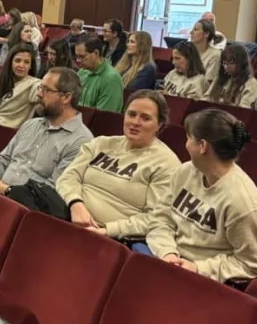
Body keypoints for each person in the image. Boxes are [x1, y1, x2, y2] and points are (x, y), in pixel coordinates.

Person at [145, 108, 257, 282]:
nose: (186, 144)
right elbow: (160, 219)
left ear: (202, 146)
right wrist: (167, 252)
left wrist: (198, 268)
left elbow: (252, 263)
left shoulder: (244, 203)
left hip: (202, 279)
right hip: (164, 257)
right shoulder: (186, 171)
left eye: (189, 138)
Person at [58, 90, 181, 239]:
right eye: (131, 114)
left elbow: (155, 218)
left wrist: (108, 230)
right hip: (67, 209)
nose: (135, 122)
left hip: (110, 236)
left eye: (145, 118)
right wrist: (75, 203)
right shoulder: (101, 143)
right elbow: (68, 177)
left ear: (159, 125)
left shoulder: (167, 164)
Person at [0, 67, 93, 195]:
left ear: (66, 97)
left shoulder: (81, 142)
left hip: (23, 208)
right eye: (40, 88)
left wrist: (4, 190)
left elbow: (50, 194)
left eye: (46, 90)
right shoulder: (30, 124)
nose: (39, 94)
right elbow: (3, 160)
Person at [75, 37, 124, 113]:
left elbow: (103, 117)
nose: (78, 60)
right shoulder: (82, 71)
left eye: (82, 56)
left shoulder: (111, 79)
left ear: (96, 53)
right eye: (77, 56)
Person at [204, 43, 257, 108]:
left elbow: (245, 110)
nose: (226, 67)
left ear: (241, 63)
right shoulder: (220, 78)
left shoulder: (251, 83)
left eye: (231, 63)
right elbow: (206, 98)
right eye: (224, 63)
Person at [190, 19, 222, 86]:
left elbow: (207, 83)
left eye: (195, 30)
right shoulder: (189, 52)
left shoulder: (215, 55)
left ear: (206, 34)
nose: (191, 32)